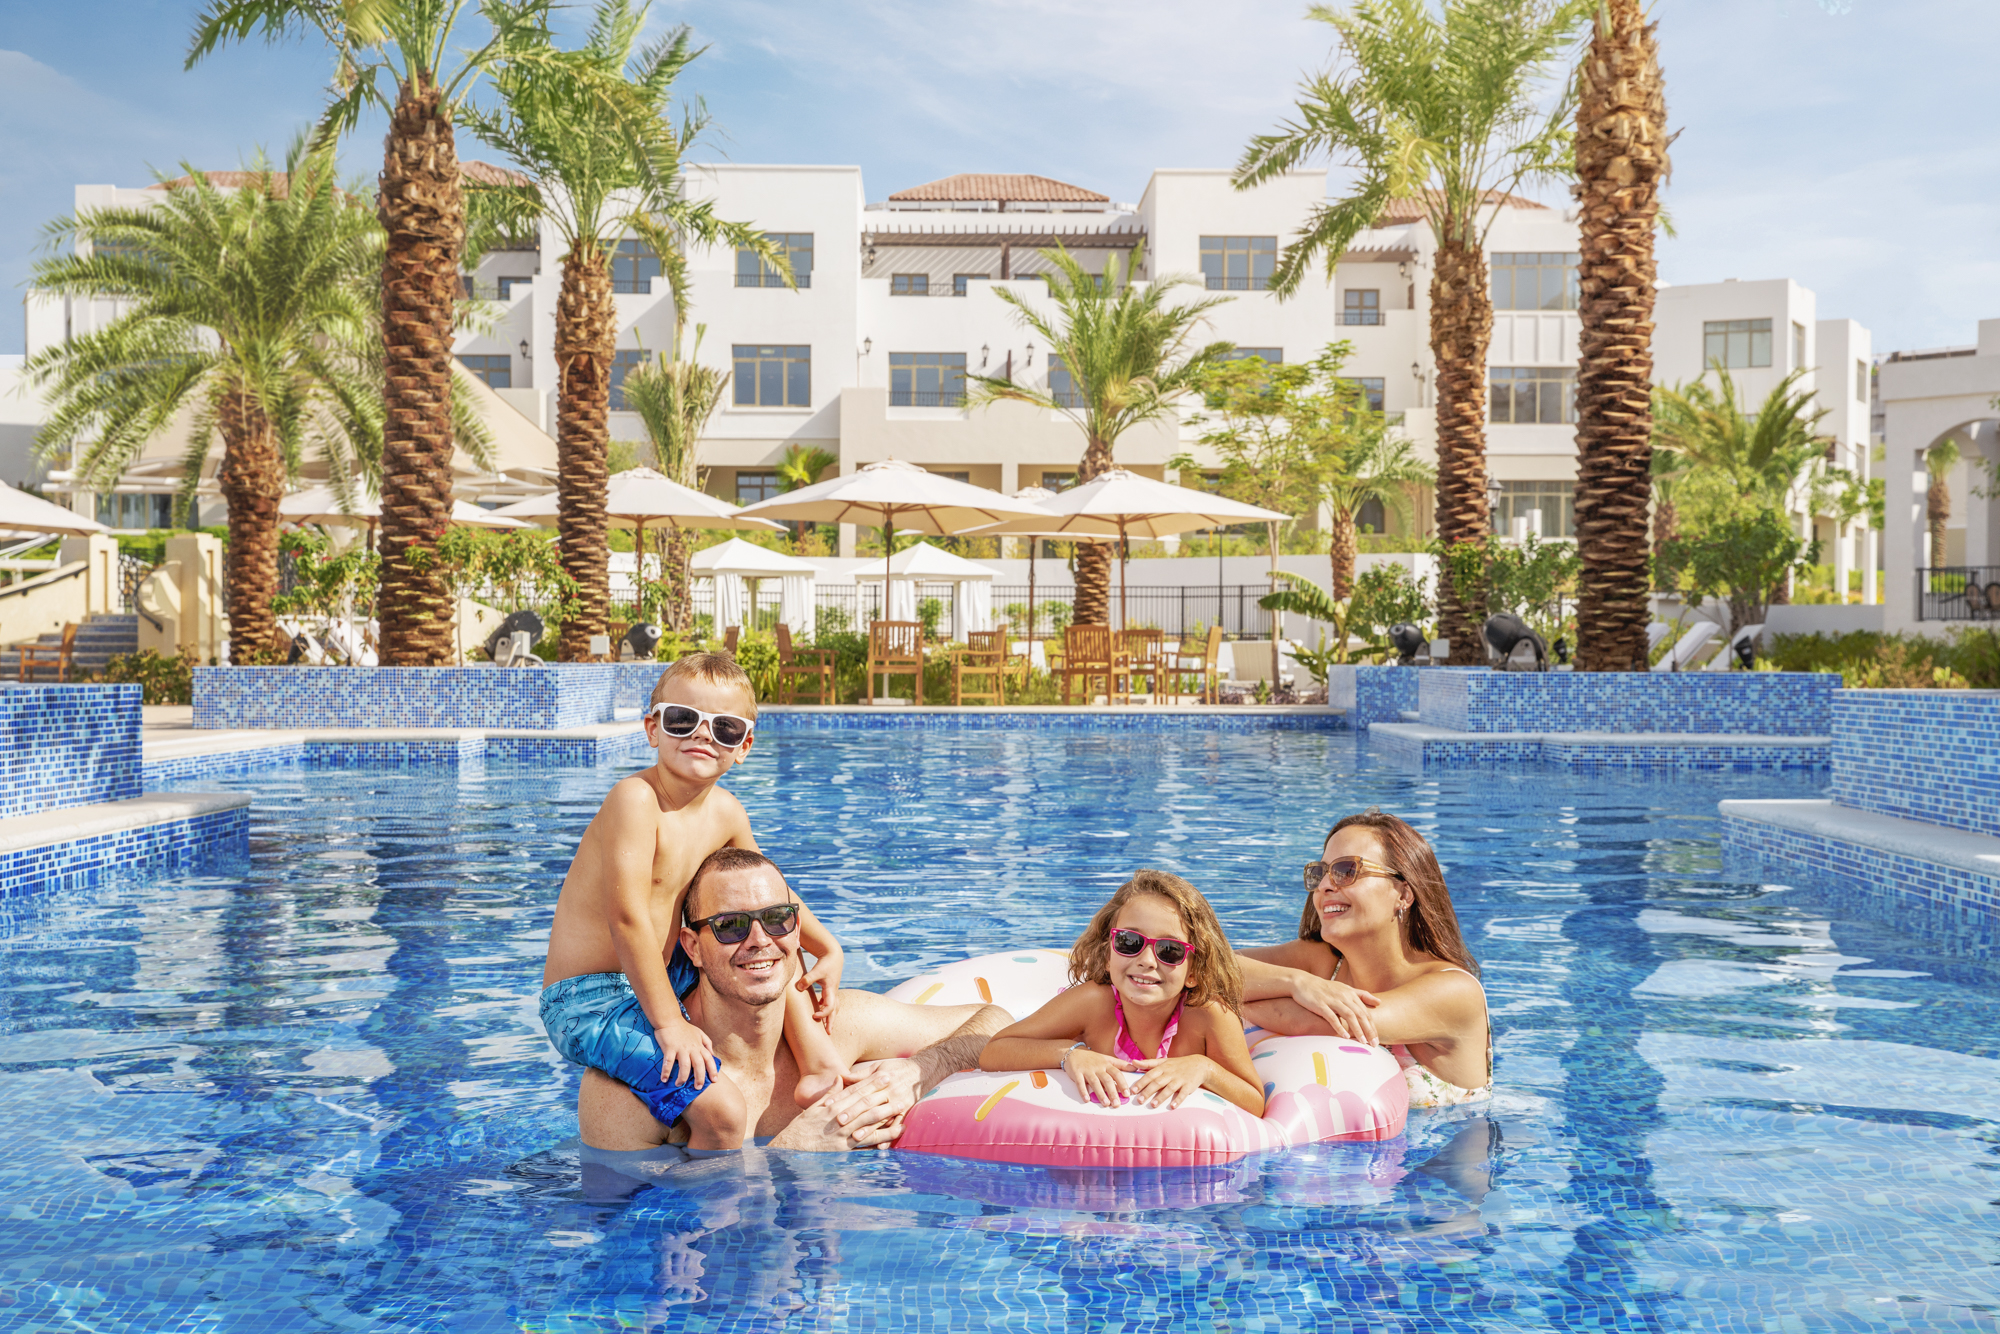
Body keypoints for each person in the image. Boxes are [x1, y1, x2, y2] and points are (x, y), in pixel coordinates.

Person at [539, 653, 848, 1153]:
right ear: (652, 728)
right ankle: (709, 1212)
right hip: (592, 999)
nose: (702, 735)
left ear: (743, 747)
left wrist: (829, 948)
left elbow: (770, 896)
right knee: (724, 1113)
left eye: (724, 728)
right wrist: (668, 1025)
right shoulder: (635, 800)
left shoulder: (727, 812)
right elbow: (628, 919)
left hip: (670, 972)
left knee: (764, 944)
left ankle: (818, 1066)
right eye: (683, 720)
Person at [578, 846, 1011, 1152]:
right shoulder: (631, 1086)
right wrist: (793, 1152)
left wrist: (916, 1071)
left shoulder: (836, 1029)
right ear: (692, 947)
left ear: (798, 931)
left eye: (776, 919)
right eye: (730, 925)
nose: (759, 940)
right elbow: (619, 1215)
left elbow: (995, 1020)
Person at [1236, 809, 1492, 1107]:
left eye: (1347, 870)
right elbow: (1206, 965)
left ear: (1404, 895)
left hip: (1444, 1147)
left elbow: (1333, 1023)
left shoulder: (1455, 992)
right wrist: (1296, 982)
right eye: (1320, 873)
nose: (1325, 886)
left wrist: (1225, 1000)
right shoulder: (1323, 964)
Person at [979, 869, 1265, 1116]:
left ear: (1193, 971)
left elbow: (1254, 1102)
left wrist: (1205, 1068)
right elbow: (994, 1052)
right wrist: (1070, 1054)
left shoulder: (1208, 1017)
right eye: (1130, 941)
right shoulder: (1092, 1002)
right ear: (1107, 955)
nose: (1147, 960)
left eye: (1170, 950)